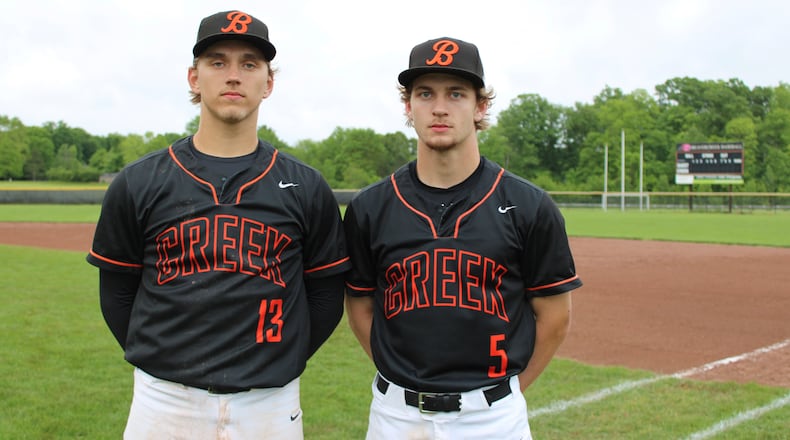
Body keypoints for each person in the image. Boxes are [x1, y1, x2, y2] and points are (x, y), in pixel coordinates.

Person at [87, 10, 350, 439]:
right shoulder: (140, 181)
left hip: (270, 401)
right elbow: (117, 293)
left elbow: (324, 296)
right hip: (164, 399)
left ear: (268, 82)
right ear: (194, 78)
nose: (233, 76)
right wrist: (164, 361)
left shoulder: (304, 186)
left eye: (249, 64)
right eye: (217, 62)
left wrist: (282, 358)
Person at [343, 37, 583, 439]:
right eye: (425, 93)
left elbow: (555, 318)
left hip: (492, 419)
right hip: (395, 418)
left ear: (480, 105)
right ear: (408, 105)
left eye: (456, 93)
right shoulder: (370, 207)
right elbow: (361, 309)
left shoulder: (528, 205)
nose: (439, 107)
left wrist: (504, 395)